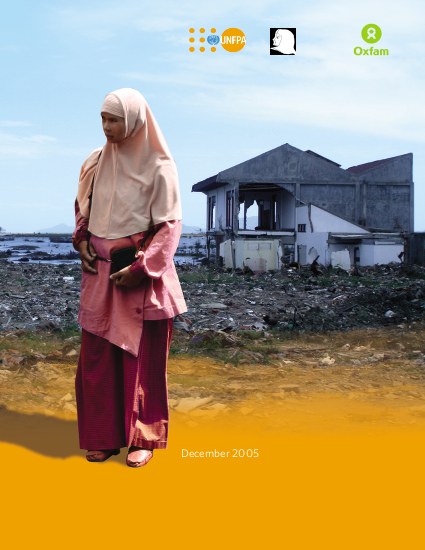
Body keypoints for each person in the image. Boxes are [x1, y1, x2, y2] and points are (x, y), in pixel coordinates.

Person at [72, 88, 187, 468]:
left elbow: (169, 227)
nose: (106, 127)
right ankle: (104, 437)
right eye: (103, 118)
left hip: (141, 280)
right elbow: (83, 208)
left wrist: (141, 269)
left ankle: (144, 439)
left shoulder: (159, 168)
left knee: (143, 363)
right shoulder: (96, 161)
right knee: (99, 360)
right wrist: (82, 240)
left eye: (114, 119)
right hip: (101, 278)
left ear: (135, 120)